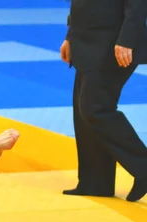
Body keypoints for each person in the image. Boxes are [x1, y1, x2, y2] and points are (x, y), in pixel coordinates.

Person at [60, 0, 147, 202]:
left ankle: (143, 166)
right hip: (87, 40)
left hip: (115, 41)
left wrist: (127, 39)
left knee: (94, 108)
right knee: (84, 111)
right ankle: (95, 182)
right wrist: (71, 36)